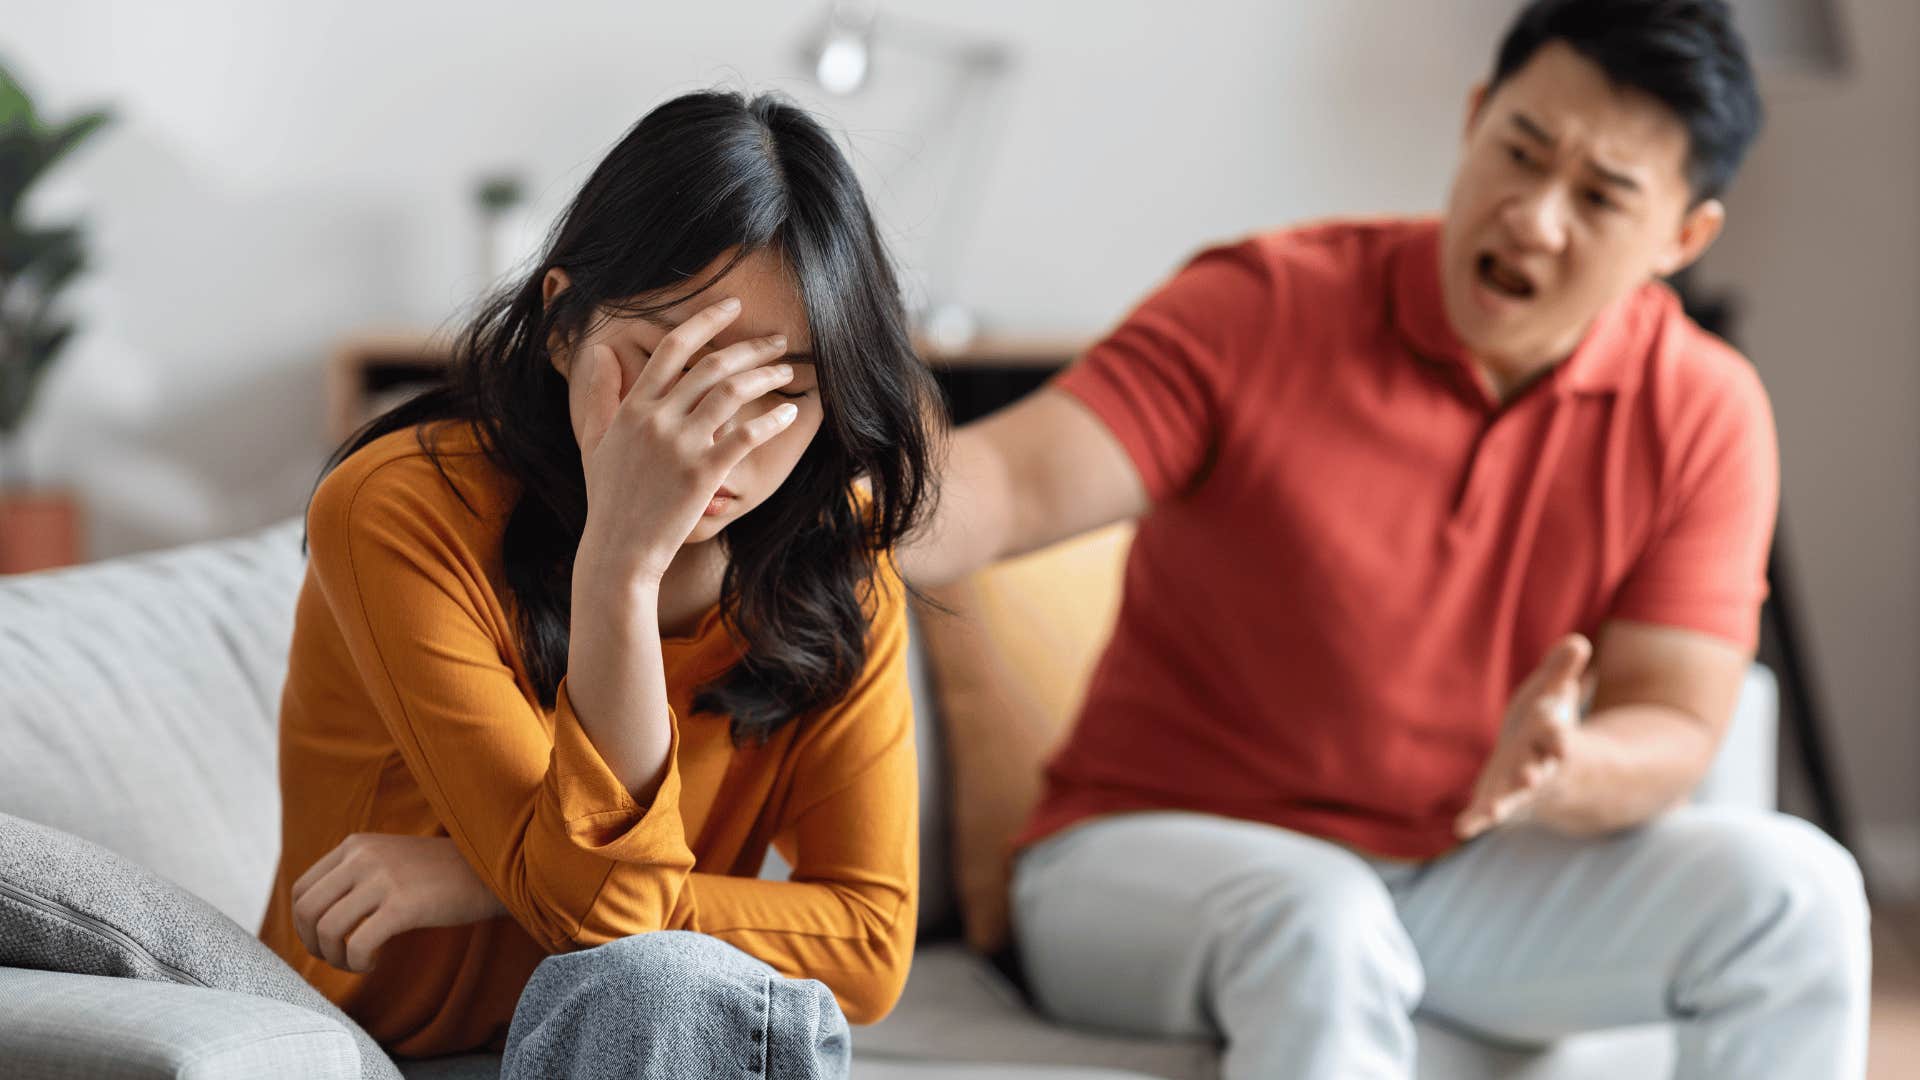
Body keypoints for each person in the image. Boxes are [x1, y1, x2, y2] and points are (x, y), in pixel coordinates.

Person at [899, 1, 1869, 1077]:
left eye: (1601, 197)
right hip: (1139, 857)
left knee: (1800, 894)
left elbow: (1673, 717)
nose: (1535, 218)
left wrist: (1567, 767)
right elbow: (1007, 485)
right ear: (1472, 121)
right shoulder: (1262, 304)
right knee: (1319, 916)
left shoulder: (1703, 410)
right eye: (1521, 151)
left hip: (1457, 870)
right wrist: (832, 486)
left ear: (1683, 238)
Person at [257, 90, 938, 1080]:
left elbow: (870, 951)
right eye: (668, 365)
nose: (712, 442)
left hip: (673, 1041)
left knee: (675, 993)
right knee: (658, 983)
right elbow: (613, 924)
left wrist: (489, 875)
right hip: (399, 1047)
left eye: (778, 391)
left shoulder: (841, 553)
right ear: (564, 325)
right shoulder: (399, 512)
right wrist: (620, 565)